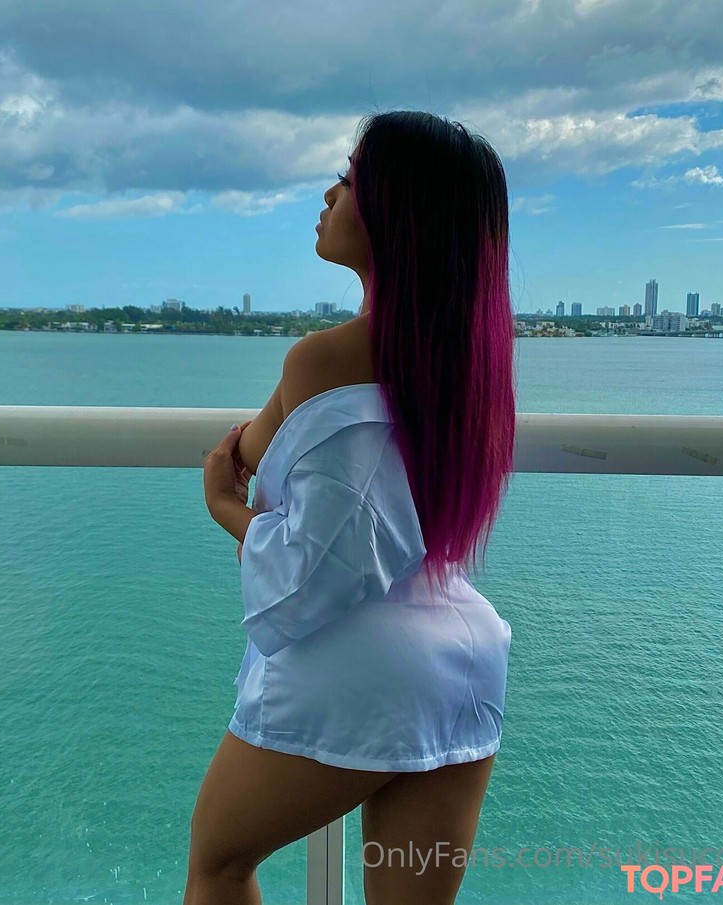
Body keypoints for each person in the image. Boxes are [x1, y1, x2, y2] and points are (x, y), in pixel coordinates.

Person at [191, 110, 517, 905]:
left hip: (353, 665)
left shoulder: (324, 356)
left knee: (220, 864)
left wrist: (226, 507)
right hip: (461, 658)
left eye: (350, 178)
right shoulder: (472, 369)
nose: (330, 193)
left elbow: (308, 560)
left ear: (398, 214)